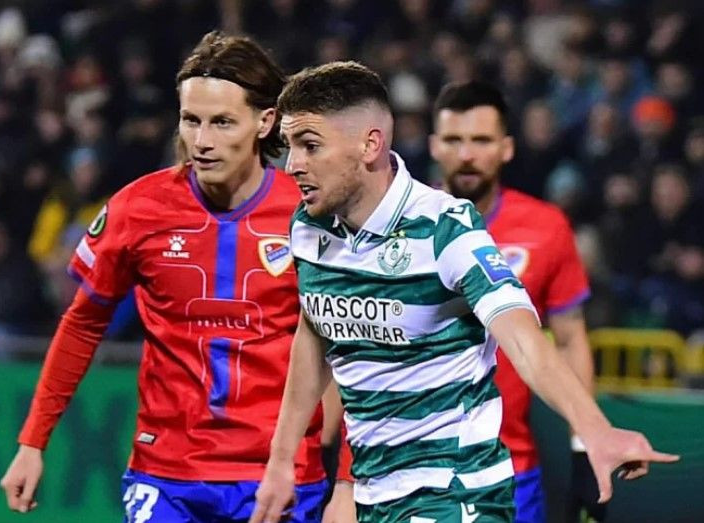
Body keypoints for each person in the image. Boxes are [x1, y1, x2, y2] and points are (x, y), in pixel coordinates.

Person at [249, 61, 678, 523]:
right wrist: (282, 460)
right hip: (374, 492)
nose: (292, 165)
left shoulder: (445, 228)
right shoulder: (309, 228)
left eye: (310, 145)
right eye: (290, 147)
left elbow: (524, 340)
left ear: (370, 144)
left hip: (456, 492)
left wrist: (593, 430)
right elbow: (314, 334)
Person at [0, 31, 340, 522]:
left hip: (279, 474)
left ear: (265, 122)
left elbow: (357, 350)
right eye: (191, 120)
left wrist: (347, 481)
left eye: (222, 122)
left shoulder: (314, 216)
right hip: (166, 476)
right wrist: (33, 442)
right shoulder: (138, 209)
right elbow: (83, 323)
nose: (202, 141)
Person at [430, 80, 600, 522]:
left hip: (509, 472)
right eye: (454, 140)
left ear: (506, 148)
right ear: (434, 146)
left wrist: (583, 445)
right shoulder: (396, 227)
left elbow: (570, 340)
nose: (467, 154)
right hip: (413, 472)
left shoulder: (546, 227)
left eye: (481, 140)